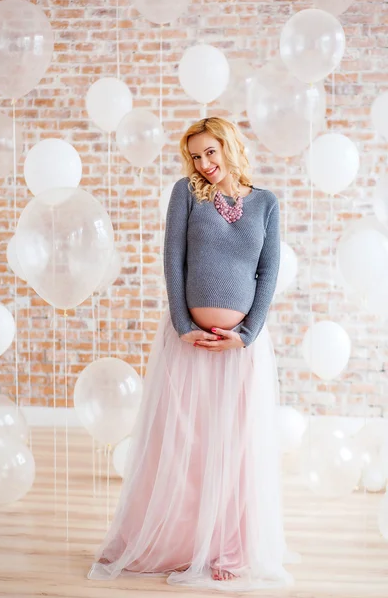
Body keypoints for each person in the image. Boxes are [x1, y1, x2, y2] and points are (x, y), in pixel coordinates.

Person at [88, 117, 297, 591]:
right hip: (187, 344)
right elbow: (173, 260)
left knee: (235, 446)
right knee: (184, 443)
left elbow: (268, 274)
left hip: (241, 349)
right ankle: (180, 542)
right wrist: (184, 327)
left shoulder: (266, 203)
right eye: (197, 156)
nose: (204, 164)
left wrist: (247, 333)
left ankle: (227, 547)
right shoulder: (188, 193)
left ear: (229, 146)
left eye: (211, 152)